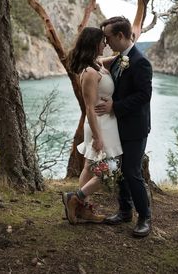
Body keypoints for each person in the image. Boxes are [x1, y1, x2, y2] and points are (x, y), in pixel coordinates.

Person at [95, 16, 153, 237]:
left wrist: (114, 106)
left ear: (120, 36)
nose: (106, 41)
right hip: (118, 125)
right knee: (120, 171)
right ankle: (125, 210)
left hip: (135, 128)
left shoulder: (140, 62)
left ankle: (145, 217)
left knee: (132, 171)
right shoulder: (120, 59)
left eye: (108, 37)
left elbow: (143, 96)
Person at [62, 27, 123, 224]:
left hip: (105, 124)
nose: (105, 44)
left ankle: (83, 210)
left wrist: (127, 48)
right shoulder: (89, 72)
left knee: (89, 168)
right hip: (99, 126)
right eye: (102, 41)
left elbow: (113, 58)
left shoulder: (97, 64)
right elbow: (89, 107)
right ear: (93, 43)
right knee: (110, 170)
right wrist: (98, 137)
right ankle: (75, 198)